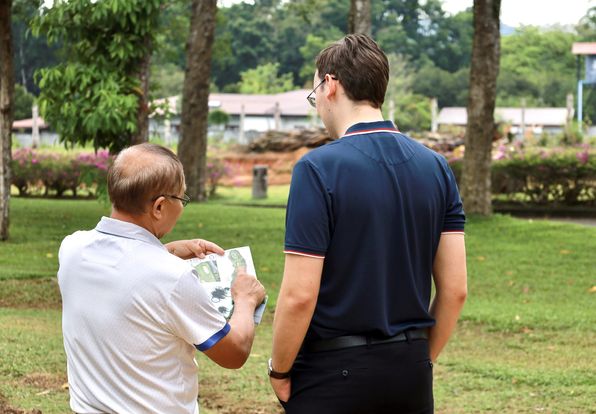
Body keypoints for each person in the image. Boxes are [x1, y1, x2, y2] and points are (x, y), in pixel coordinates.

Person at [269, 34, 467, 413]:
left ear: (330, 85)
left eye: (314, 95)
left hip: (332, 373)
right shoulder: (436, 167)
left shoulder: (317, 169)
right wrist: (421, 357)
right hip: (409, 369)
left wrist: (279, 370)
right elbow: (455, 289)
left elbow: (298, 296)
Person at [57, 143, 266, 414]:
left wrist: (165, 251)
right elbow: (234, 352)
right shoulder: (172, 277)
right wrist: (246, 299)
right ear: (159, 207)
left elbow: (122, 272)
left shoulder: (72, 248)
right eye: (182, 199)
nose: (182, 206)